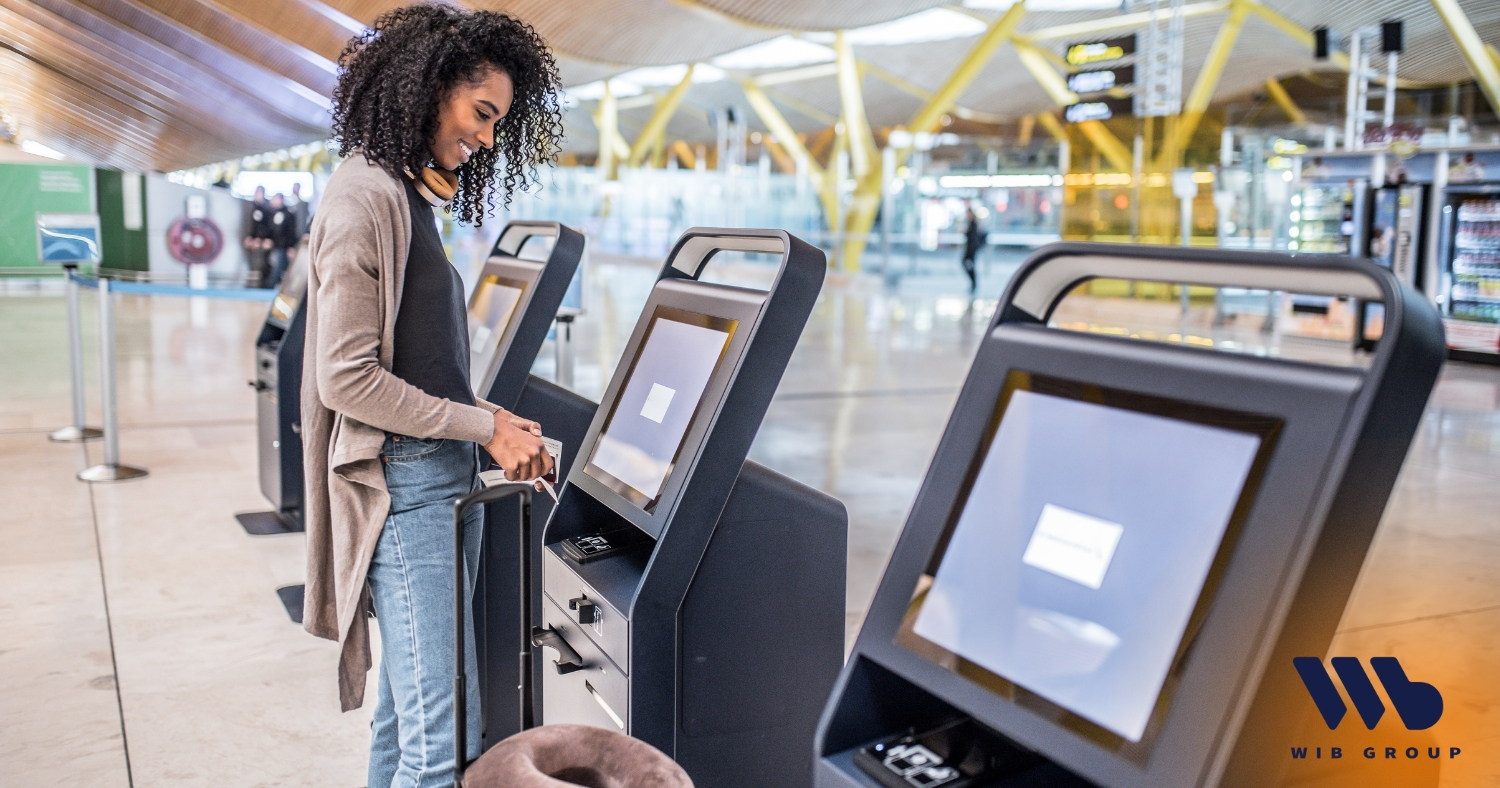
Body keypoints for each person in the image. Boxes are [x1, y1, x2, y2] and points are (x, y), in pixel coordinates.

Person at [299, 6, 563, 788]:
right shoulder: (364, 198)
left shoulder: (404, 194)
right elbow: (343, 377)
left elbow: (419, 360)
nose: (486, 137)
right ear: (430, 85)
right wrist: (482, 427)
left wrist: (490, 417)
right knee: (440, 747)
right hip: (409, 490)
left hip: (436, 476)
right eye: (481, 113)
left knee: (410, 721)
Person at [242, 186, 273, 287]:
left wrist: (259, 239)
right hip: (253, 241)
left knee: (261, 264)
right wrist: (249, 237)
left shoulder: (266, 209)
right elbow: (251, 225)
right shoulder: (253, 207)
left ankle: (262, 285)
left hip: (262, 242)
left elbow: (265, 226)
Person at [266, 193, 299, 288]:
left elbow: (291, 231)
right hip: (277, 246)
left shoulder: (288, 213)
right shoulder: (274, 213)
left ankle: (271, 287)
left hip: (284, 246)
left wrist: (291, 246)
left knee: (280, 268)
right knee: (282, 268)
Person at [961, 206, 983, 293]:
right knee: (969, 265)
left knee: (969, 265)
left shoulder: (973, 223)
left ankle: (974, 284)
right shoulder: (971, 223)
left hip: (971, 250)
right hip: (971, 249)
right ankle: (973, 284)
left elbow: (973, 238)